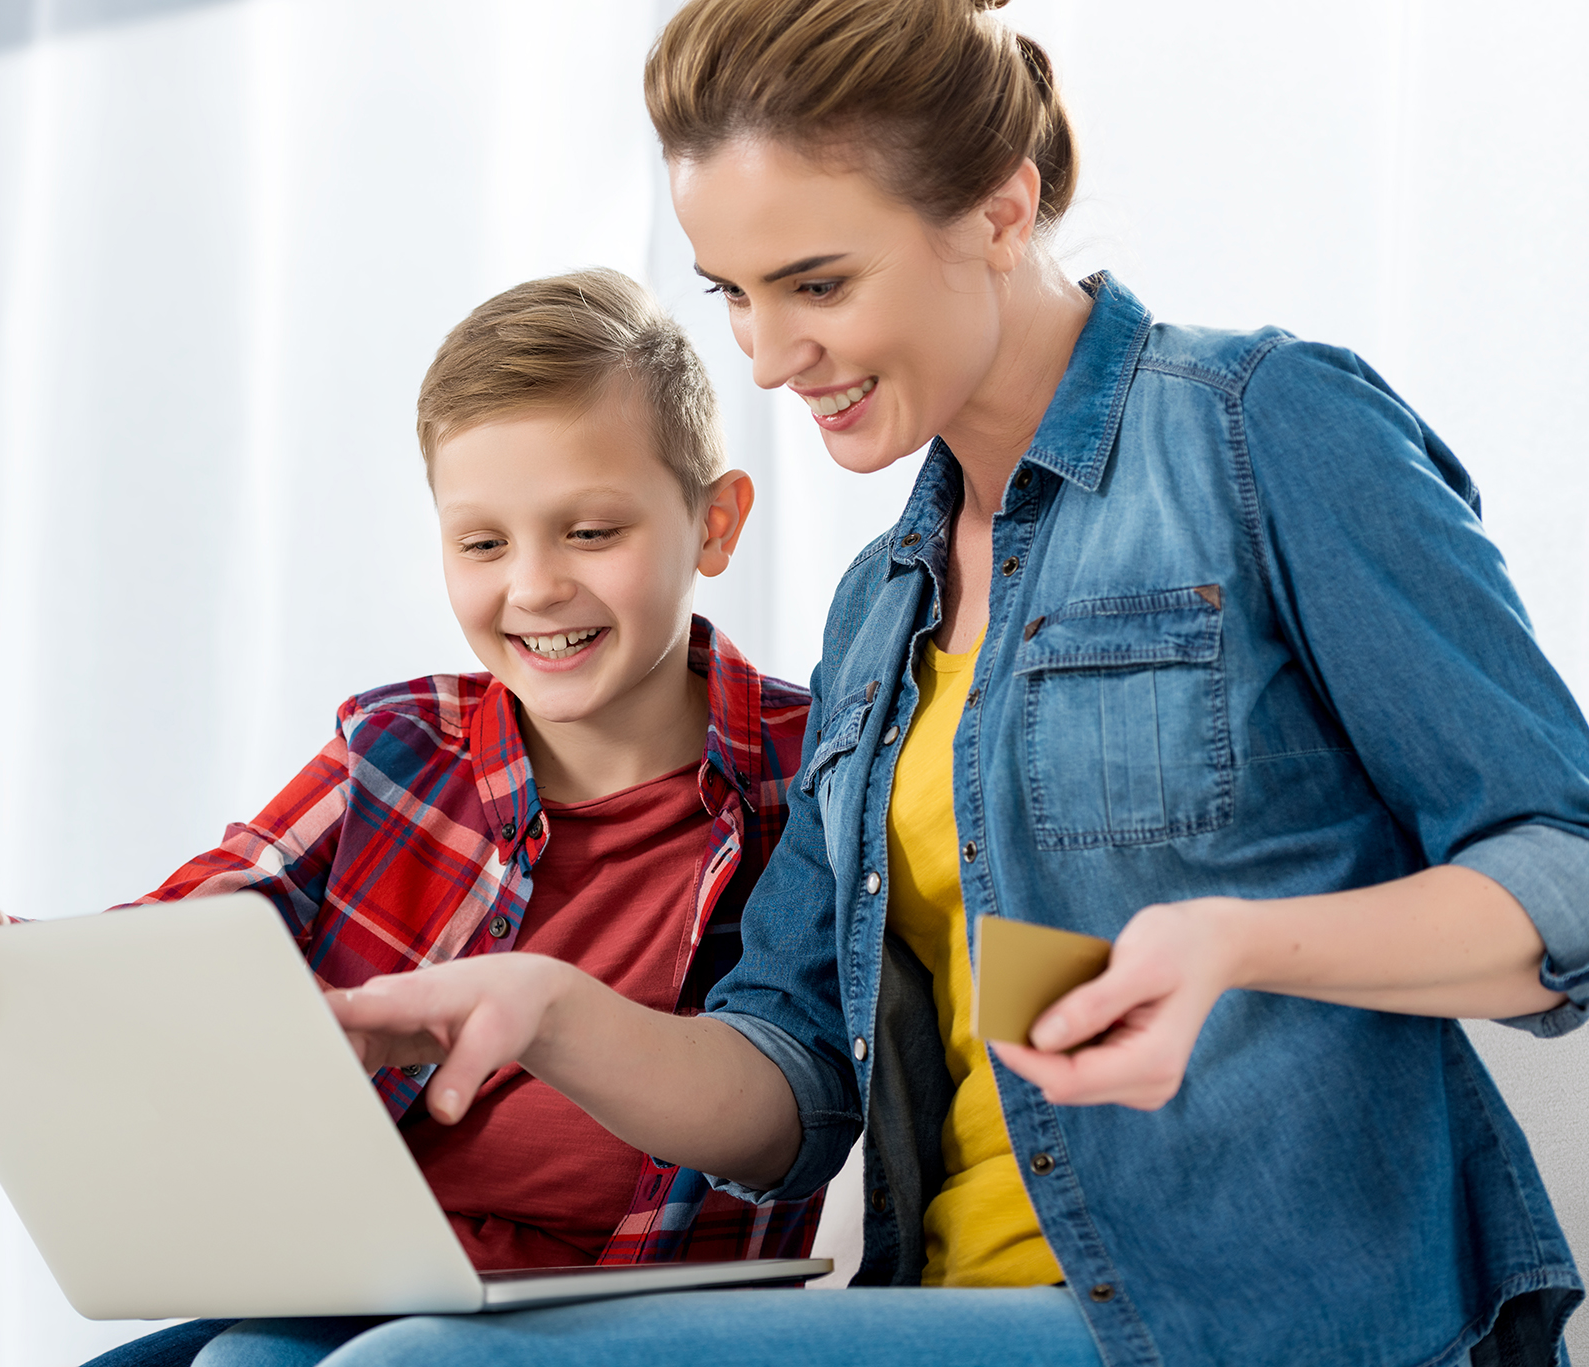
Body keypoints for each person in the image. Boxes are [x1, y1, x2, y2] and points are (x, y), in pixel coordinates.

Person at [311, 2, 1589, 1365]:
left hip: (1244, 1320)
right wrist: (549, 1010)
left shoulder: (1258, 428)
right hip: (953, 1301)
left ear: (998, 207)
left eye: (817, 283)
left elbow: (1563, 856)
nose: (765, 357)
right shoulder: (879, 609)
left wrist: (1235, 942)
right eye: (732, 294)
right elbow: (791, 1079)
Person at [0, 268, 823, 1367]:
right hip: (354, 1292)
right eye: (481, 544)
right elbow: (173, 949)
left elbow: (802, 1090)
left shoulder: (814, 771)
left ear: (714, 523)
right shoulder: (396, 751)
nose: (532, 586)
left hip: (636, 1317)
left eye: (589, 531)